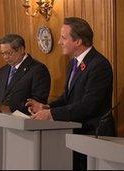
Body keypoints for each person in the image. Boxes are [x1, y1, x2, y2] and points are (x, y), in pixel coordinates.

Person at [25, 17, 114, 170]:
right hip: (75, 132)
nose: (59, 41)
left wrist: (51, 114)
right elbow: (67, 98)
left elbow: (88, 106)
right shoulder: (73, 63)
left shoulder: (99, 65)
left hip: (94, 135)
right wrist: (45, 108)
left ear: (78, 41)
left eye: (63, 38)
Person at [0, 34, 51, 114]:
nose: (5, 57)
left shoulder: (38, 69)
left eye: (9, 53)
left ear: (21, 49)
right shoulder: (2, 71)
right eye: (3, 53)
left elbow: (38, 102)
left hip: (24, 122)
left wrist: (9, 108)